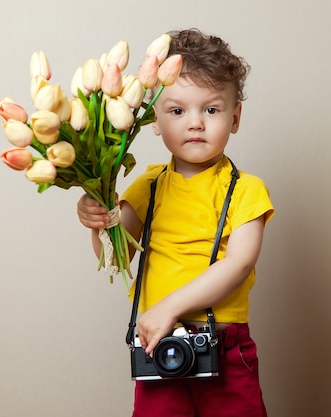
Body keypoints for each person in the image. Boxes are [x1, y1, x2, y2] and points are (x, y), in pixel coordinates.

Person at [77, 28, 274, 417]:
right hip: (158, 339)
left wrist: (170, 307)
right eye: (178, 110)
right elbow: (115, 258)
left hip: (223, 344)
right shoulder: (148, 186)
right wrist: (97, 218)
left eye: (212, 110)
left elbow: (238, 264)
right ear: (152, 119)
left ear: (235, 118)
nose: (195, 123)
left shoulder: (246, 190)